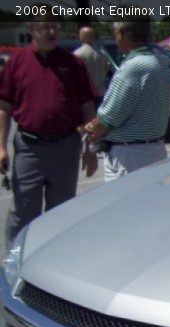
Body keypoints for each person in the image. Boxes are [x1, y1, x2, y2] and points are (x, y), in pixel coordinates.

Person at [0, 6, 98, 248]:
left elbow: (87, 107)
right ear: (31, 29)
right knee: (24, 212)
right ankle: (16, 265)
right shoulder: (16, 64)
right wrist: (0, 147)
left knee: (62, 213)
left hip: (66, 147)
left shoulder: (73, 63)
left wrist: (91, 147)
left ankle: (55, 262)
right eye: (45, 26)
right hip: (29, 149)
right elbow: (3, 108)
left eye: (55, 25)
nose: (52, 30)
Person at [84, 16, 170, 182]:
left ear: (122, 33)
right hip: (156, 150)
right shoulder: (160, 62)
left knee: (125, 206)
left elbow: (107, 121)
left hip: (130, 157)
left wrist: (91, 130)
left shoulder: (132, 68)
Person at [74, 26, 109, 108]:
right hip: (100, 92)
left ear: (81, 37)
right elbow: (106, 70)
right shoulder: (101, 53)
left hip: (85, 95)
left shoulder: (77, 54)